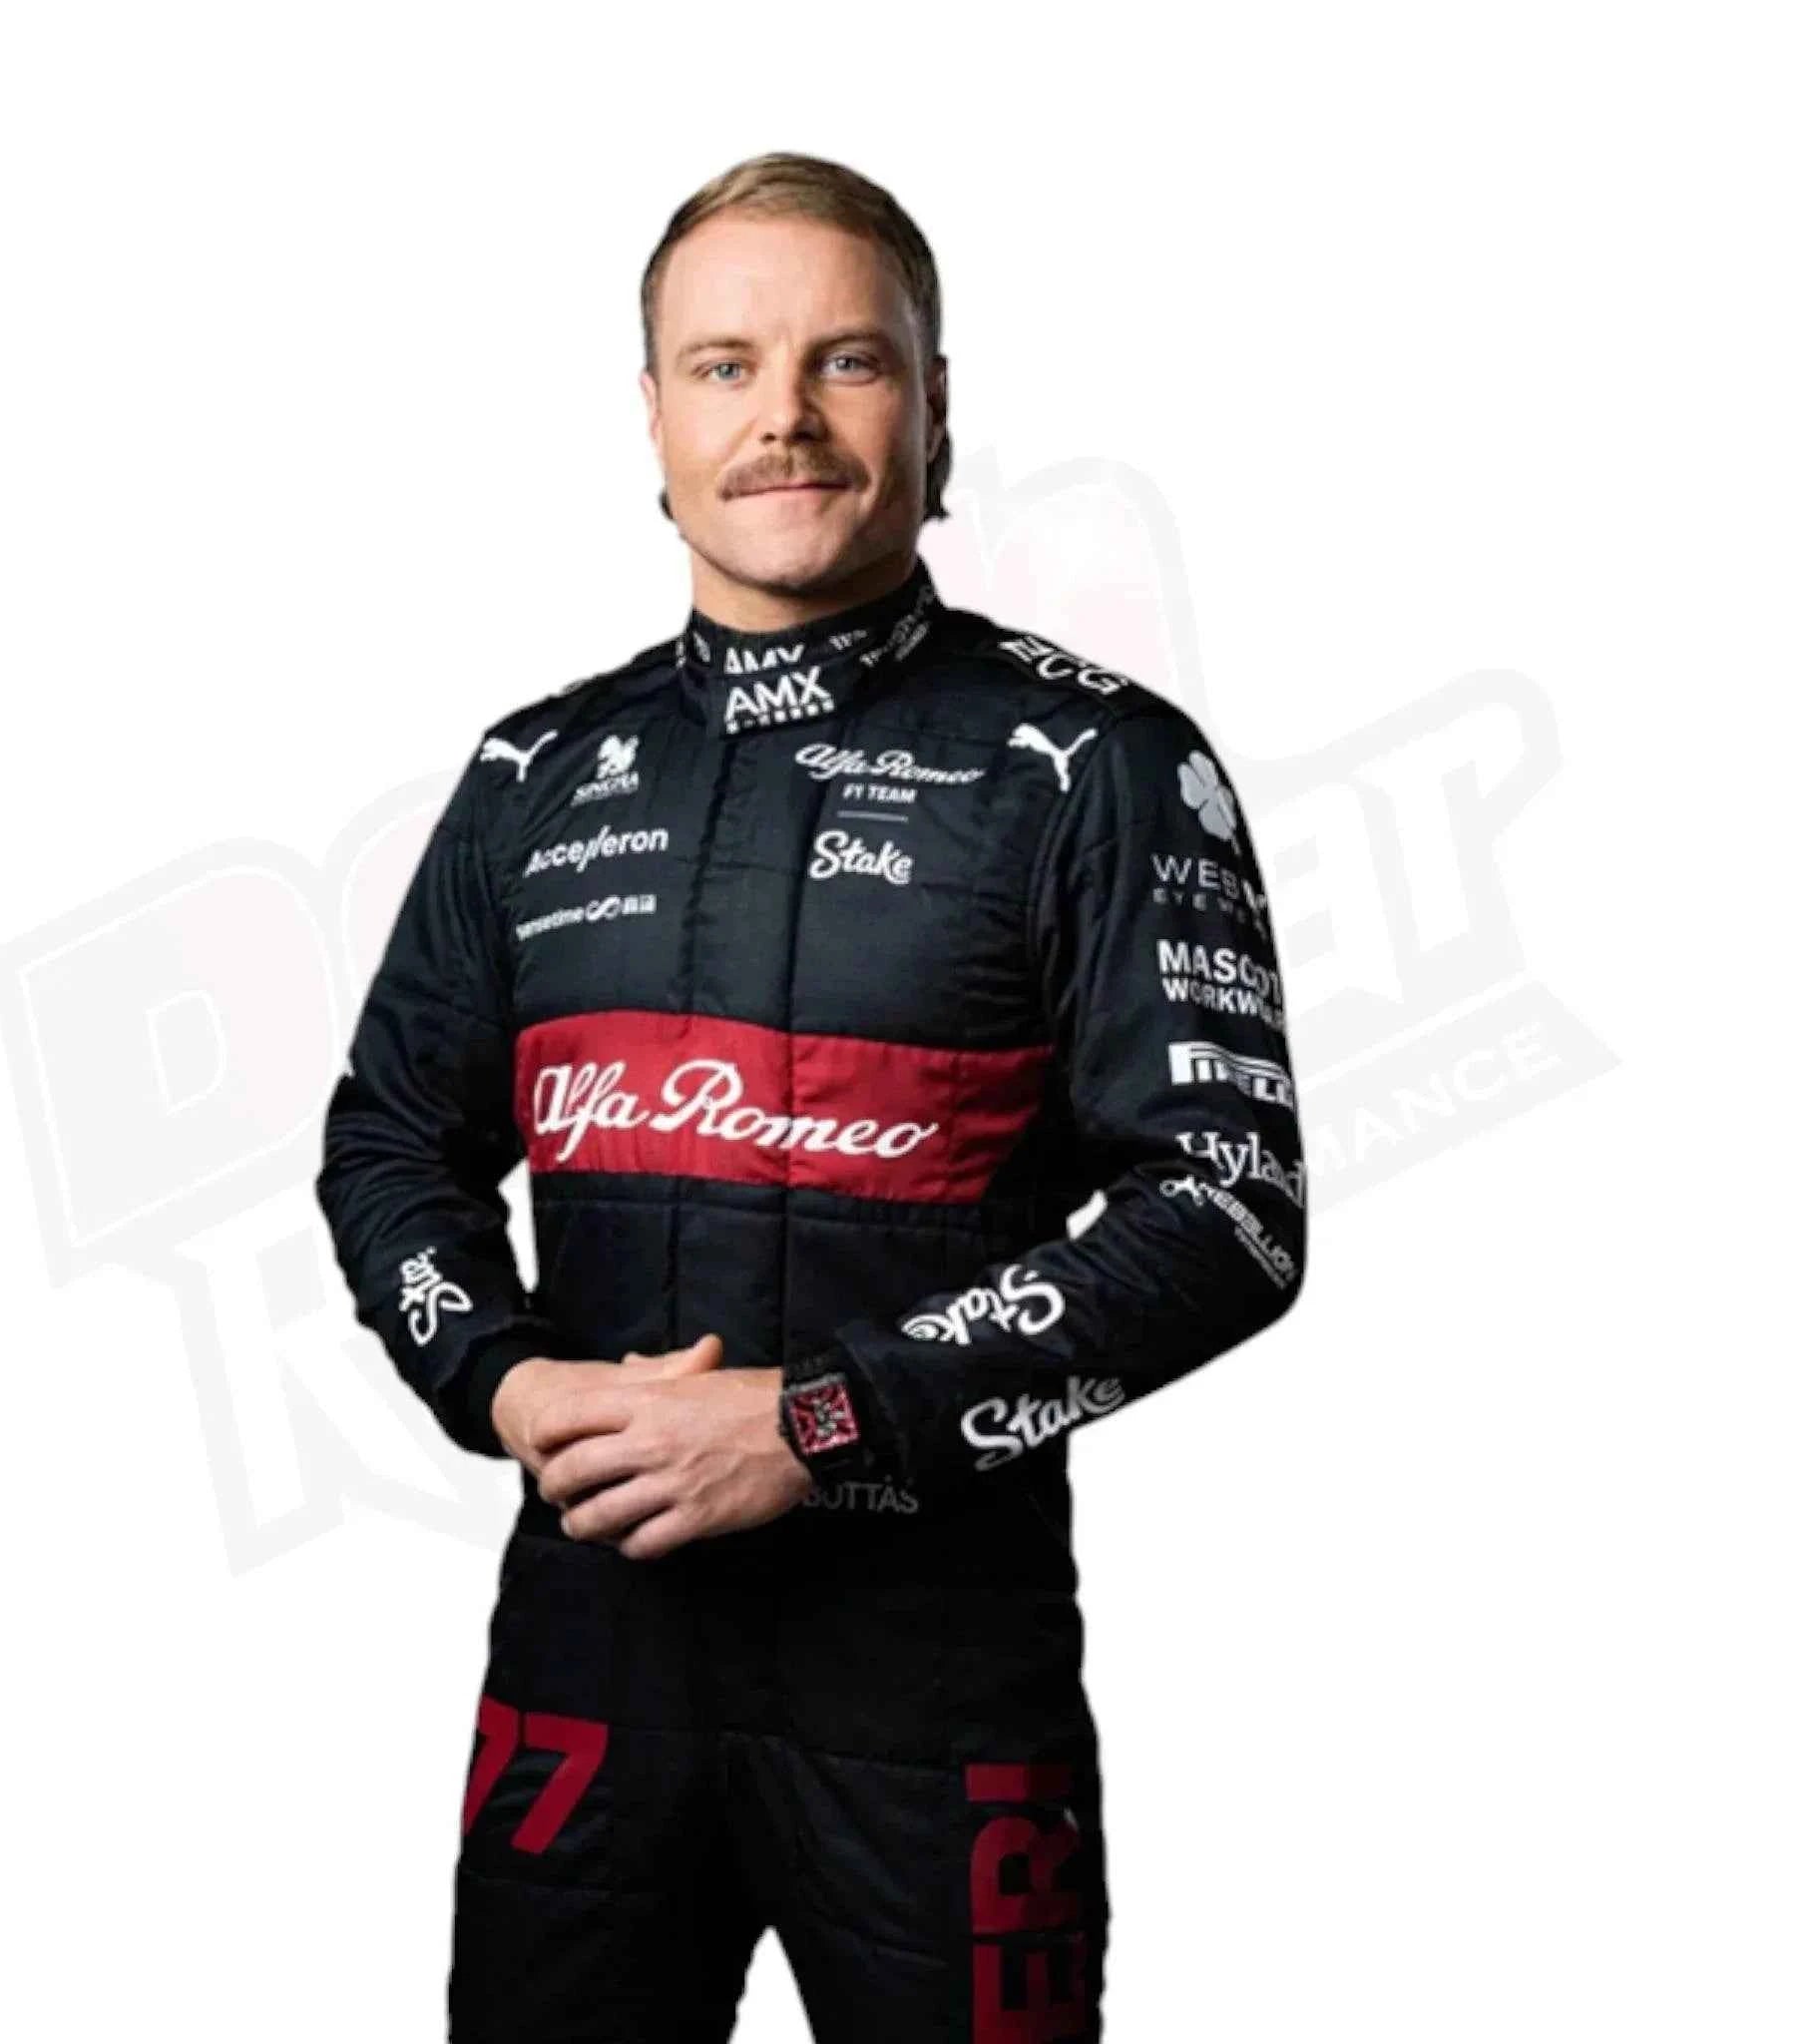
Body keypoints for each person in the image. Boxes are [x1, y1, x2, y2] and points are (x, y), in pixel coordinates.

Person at [315, 149, 1306, 2044]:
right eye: (725, 365)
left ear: (936, 407)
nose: (782, 415)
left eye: (847, 360)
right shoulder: (532, 773)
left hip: (937, 1692)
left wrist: (822, 1426)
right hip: (587, 1670)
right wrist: (500, 1381)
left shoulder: (1099, 764)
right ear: (655, 416)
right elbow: (388, 1146)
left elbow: (1229, 1214)